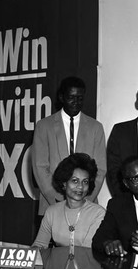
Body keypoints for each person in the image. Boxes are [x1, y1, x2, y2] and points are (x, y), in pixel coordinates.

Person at [32, 76, 106, 218]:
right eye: (71, 97)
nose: (76, 102)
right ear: (61, 97)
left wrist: (83, 199)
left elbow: (101, 169)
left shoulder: (96, 127)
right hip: (52, 205)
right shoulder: (43, 126)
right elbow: (40, 167)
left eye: (80, 98)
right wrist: (58, 200)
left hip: (86, 207)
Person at [32, 153, 105, 248]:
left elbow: (87, 251)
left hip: (86, 261)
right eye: (75, 181)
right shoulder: (52, 211)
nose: (80, 186)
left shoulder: (98, 213)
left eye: (85, 182)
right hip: (58, 261)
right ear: (64, 183)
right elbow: (39, 244)